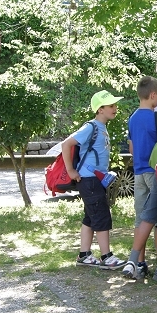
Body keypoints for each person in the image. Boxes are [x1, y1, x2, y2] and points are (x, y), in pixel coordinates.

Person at [62, 90, 126, 270]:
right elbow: (66, 144)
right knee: (101, 216)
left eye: (115, 105)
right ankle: (107, 257)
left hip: (94, 180)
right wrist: (71, 170)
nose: (115, 108)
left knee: (90, 217)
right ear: (100, 110)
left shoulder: (102, 128)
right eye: (111, 106)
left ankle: (84, 255)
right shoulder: (91, 127)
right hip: (88, 180)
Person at [126, 76, 157, 279]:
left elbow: (132, 146)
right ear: (153, 95)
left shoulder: (133, 117)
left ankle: (140, 264)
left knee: (141, 218)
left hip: (138, 172)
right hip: (155, 173)